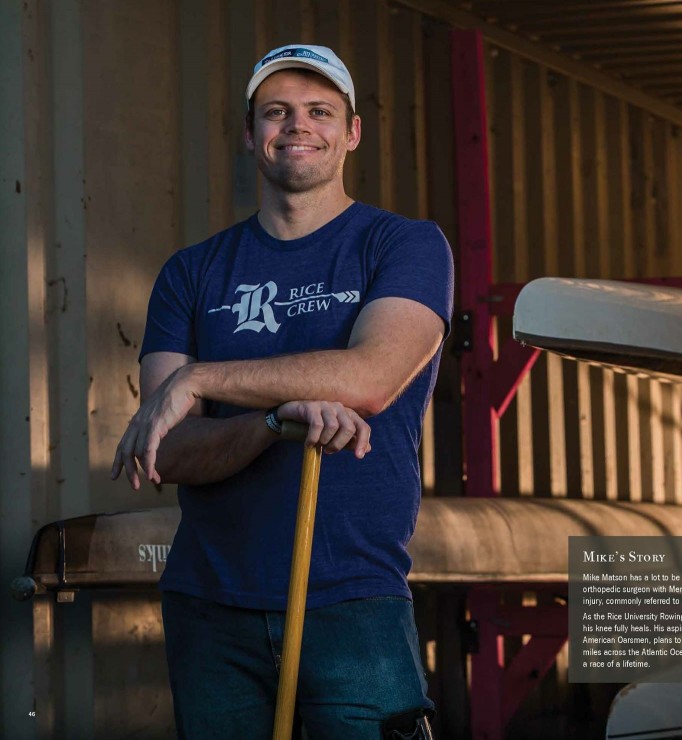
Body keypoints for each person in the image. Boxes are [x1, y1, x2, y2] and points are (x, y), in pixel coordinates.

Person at [110, 43, 452, 739]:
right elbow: (166, 452)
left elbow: (372, 379)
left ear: (351, 132)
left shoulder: (403, 247)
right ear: (250, 133)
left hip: (352, 600)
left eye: (319, 111)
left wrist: (200, 378)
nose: (298, 125)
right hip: (210, 608)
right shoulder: (191, 273)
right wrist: (273, 422)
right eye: (277, 112)